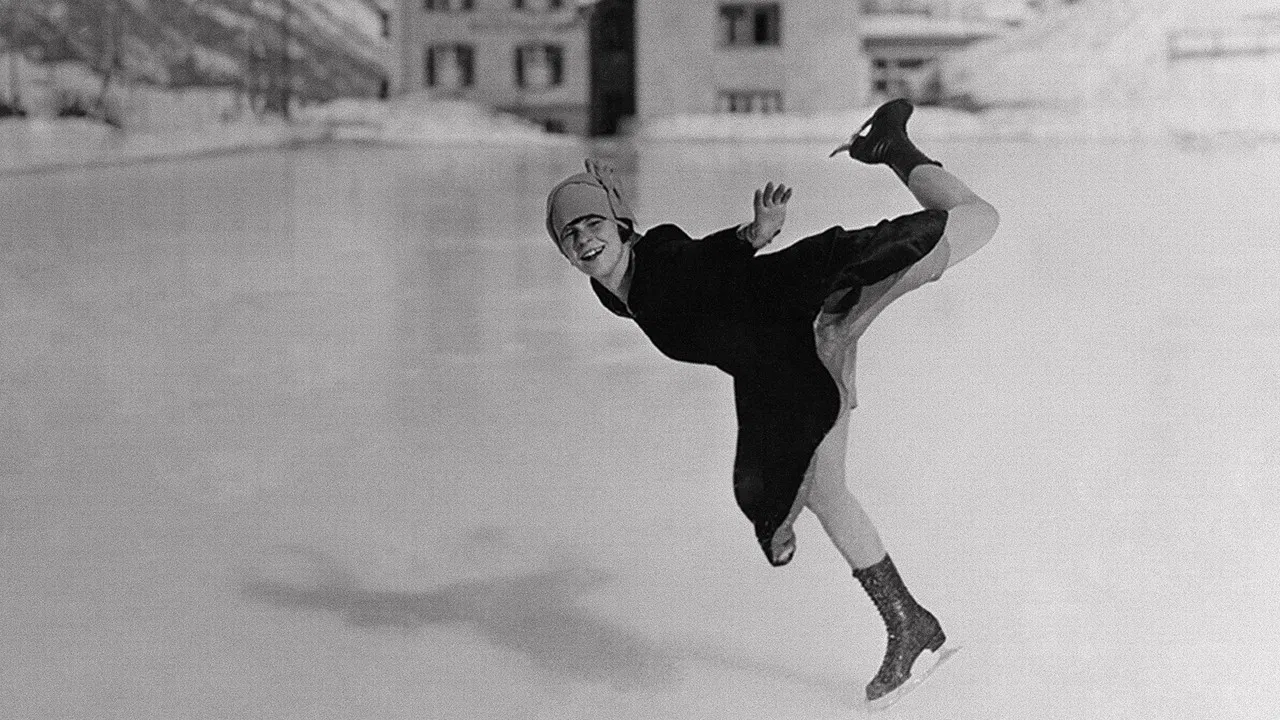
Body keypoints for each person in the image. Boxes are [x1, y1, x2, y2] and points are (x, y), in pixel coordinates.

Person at [544, 99, 999, 710]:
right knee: (826, 492)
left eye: (593, 225)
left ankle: (892, 147)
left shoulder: (660, 265)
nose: (584, 240)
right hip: (794, 349)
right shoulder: (620, 292)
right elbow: (689, 281)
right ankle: (909, 623)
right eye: (570, 234)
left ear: (621, 226)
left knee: (976, 219)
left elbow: (696, 261)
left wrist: (750, 236)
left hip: (827, 287)